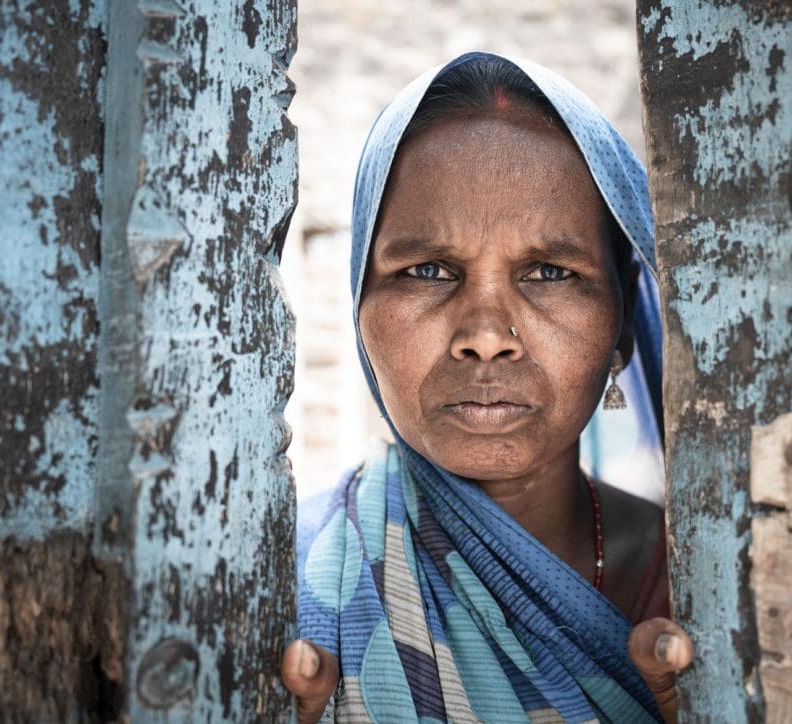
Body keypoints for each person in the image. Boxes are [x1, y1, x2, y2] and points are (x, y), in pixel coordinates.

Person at [281, 52, 693, 722]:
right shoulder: (288, 588)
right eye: (429, 269)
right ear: (360, 308)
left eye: (551, 273)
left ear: (620, 326)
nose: (486, 333)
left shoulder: (716, 589)